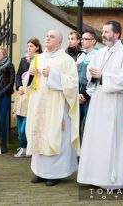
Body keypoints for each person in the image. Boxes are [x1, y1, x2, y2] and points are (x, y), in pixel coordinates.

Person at [77, 20, 123, 189]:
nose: (103, 35)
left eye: (107, 32)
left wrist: (103, 76)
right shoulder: (99, 53)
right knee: (95, 137)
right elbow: (90, 75)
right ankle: (93, 176)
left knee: (111, 138)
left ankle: (111, 179)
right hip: (98, 100)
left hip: (115, 101)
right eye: (102, 32)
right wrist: (94, 76)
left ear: (117, 34)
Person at [26, 29, 79, 187]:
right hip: (39, 104)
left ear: (59, 42)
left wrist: (54, 74)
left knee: (54, 136)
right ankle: (40, 172)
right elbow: (30, 84)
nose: (48, 38)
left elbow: (73, 83)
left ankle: (55, 173)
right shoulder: (38, 58)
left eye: (52, 37)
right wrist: (30, 74)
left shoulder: (66, 60)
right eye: (47, 36)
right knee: (39, 133)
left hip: (57, 106)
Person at [14, 38, 42, 158]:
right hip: (23, 94)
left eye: (31, 46)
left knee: (28, 123)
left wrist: (32, 61)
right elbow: (19, 74)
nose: (29, 48)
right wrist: (19, 86)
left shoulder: (41, 59)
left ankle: (29, 146)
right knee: (20, 121)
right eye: (28, 46)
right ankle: (23, 146)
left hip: (34, 94)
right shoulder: (23, 60)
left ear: (37, 47)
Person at [76, 29, 98, 141]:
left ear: (93, 41)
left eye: (86, 39)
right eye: (82, 39)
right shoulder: (80, 55)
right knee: (76, 124)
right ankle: (78, 153)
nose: (82, 41)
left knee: (88, 124)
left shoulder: (97, 55)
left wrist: (85, 94)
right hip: (77, 94)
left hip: (89, 95)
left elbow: (95, 78)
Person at [0, 46, 15, 154]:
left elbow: (11, 81)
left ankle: (3, 144)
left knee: (1, 120)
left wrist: (1, 93)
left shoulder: (9, 65)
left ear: (4, 55)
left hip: (4, 95)